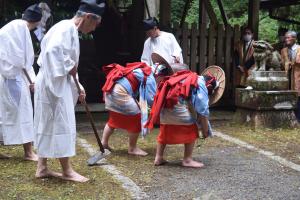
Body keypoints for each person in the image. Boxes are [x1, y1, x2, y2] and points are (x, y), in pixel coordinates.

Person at [34, 0, 105, 182]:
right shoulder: (65, 28)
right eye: (96, 24)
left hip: (55, 80)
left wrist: (78, 87)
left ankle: (42, 167)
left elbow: (68, 63)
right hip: (53, 82)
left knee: (49, 122)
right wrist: (68, 67)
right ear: (88, 17)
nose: (95, 29)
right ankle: (66, 170)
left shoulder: (70, 30)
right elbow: (52, 53)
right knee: (60, 123)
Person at [145, 61, 220, 168]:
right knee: (192, 132)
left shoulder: (167, 80)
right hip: (181, 115)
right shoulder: (196, 80)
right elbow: (201, 105)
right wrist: (204, 127)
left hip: (164, 115)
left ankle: (158, 157)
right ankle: (187, 159)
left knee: (163, 135)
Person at [0, 4, 42, 161]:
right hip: (12, 77)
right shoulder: (22, 28)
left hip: (4, 75)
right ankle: (29, 152)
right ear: (36, 21)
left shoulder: (10, 26)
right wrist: (32, 79)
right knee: (24, 111)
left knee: (2, 112)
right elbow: (23, 58)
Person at [101, 62, 156, 156]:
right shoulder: (150, 76)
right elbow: (150, 98)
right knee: (138, 117)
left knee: (113, 119)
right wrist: (153, 109)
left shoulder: (138, 70)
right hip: (119, 93)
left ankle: (104, 143)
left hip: (110, 91)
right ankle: (132, 148)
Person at [281, 31, 300, 121]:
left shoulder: (299, 49)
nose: (286, 39)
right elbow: (281, 63)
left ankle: (298, 119)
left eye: (288, 38)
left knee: (298, 97)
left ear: (294, 38)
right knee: (288, 96)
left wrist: (294, 62)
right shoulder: (284, 50)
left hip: (298, 77)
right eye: (285, 38)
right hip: (287, 77)